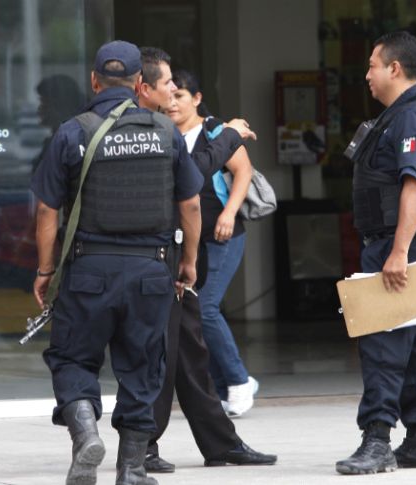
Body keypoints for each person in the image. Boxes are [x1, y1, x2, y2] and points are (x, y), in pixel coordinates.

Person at [31, 40, 203, 485]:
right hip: (151, 273)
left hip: (89, 271)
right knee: (143, 367)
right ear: (139, 83)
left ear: (94, 81)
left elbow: (47, 210)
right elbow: (190, 204)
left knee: (72, 358)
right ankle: (132, 469)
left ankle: (86, 432)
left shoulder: (73, 132)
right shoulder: (165, 133)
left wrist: (46, 270)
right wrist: (189, 261)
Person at [136, 48, 276, 472]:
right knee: (161, 352)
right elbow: (192, 185)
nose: (172, 95)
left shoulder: (161, 127)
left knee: (190, 350)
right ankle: (142, 445)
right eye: (167, 86)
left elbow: (223, 172)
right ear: (144, 87)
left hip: (182, 255)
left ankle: (220, 441)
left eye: (177, 89)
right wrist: (229, 135)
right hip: (166, 256)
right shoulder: (150, 129)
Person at [336, 30, 416, 475]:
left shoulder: (413, 118)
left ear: (395, 68)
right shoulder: (402, 115)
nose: (367, 74)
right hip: (404, 244)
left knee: (383, 343)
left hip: (402, 245)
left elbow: (415, 185)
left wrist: (399, 251)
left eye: (372, 65)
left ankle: (377, 440)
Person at [166, 69, 262, 418]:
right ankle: (224, 388)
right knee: (198, 312)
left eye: (180, 96)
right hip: (188, 240)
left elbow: (243, 170)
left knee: (205, 308)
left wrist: (229, 214)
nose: (172, 103)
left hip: (223, 237)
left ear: (197, 98)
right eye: (169, 95)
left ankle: (238, 381)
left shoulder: (215, 131)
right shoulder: (166, 136)